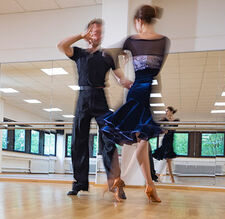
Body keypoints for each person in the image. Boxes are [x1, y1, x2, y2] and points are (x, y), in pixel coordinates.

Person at [57, 19, 133, 198]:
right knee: (78, 142)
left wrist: (130, 84)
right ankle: (79, 183)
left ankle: (115, 182)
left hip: (100, 99)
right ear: (88, 33)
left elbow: (120, 77)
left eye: (100, 32)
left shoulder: (107, 56)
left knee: (108, 139)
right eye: (94, 31)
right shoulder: (78, 53)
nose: (97, 35)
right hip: (83, 99)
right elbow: (61, 45)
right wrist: (81, 35)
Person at [102, 5, 170, 203]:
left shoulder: (132, 41)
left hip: (137, 89)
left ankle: (144, 184)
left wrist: (121, 77)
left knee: (142, 140)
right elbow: (155, 68)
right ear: (151, 19)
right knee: (143, 140)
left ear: (138, 21)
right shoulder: (164, 41)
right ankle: (146, 185)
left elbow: (108, 54)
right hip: (151, 89)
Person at [152, 106, 179, 183]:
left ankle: (157, 175)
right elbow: (158, 124)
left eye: (167, 111)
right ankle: (169, 178)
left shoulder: (176, 120)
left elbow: (174, 128)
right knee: (167, 161)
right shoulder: (164, 119)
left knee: (168, 161)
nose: (166, 112)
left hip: (170, 141)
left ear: (171, 111)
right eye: (165, 111)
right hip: (165, 140)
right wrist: (163, 130)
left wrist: (168, 125)